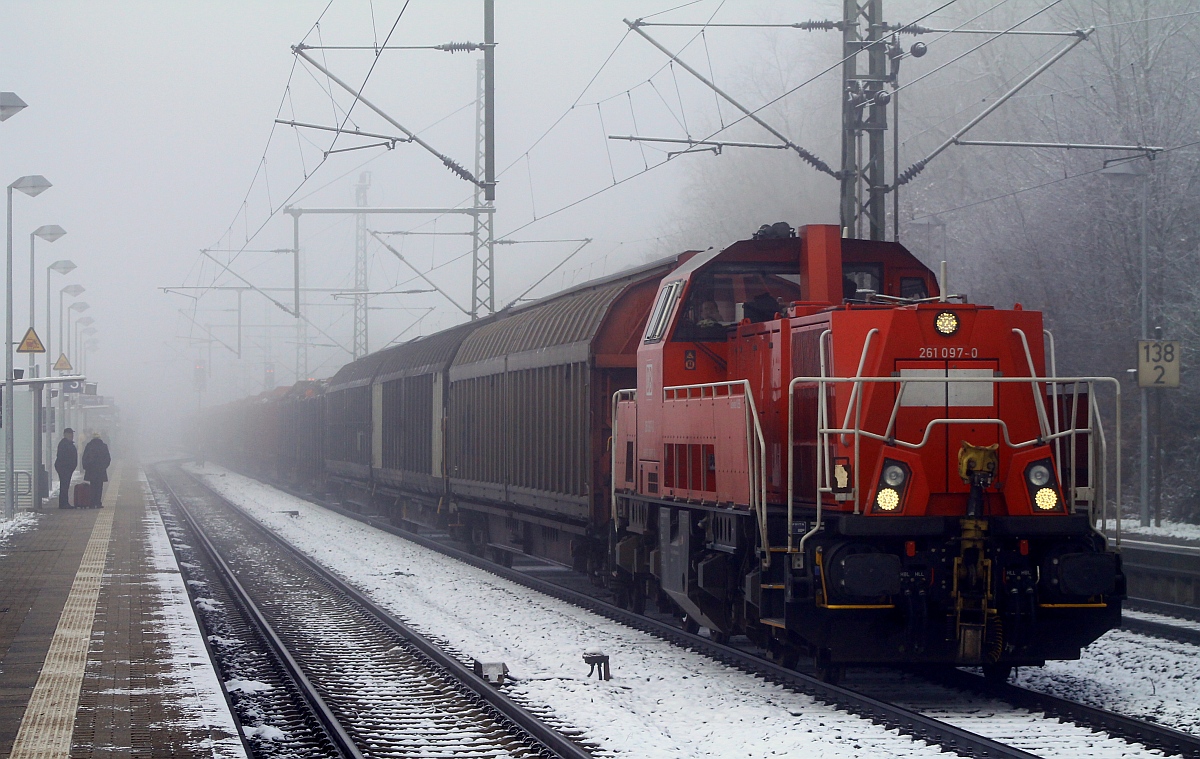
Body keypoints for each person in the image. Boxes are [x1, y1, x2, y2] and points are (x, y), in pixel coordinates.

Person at [81, 433, 112, 508]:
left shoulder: (89, 445)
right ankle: (98, 502)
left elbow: (84, 457)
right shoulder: (104, 446)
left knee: (92, 486)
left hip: (91, 470)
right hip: (101, 470)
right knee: (99, 486)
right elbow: (108, 458)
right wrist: (104, 466)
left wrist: (86, 467)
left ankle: (91, 503)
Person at [55, 428, 78, 509]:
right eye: (69, 433)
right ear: (65, 434)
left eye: (72, 433)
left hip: (67, 468)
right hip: (64, 468)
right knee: (64, 485)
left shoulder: (68, 443)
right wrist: (68, 466)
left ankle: (64, 502)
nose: (71, 435)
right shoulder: (64, 444)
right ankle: (63, 503)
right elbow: (62, 457)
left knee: (65, 485)